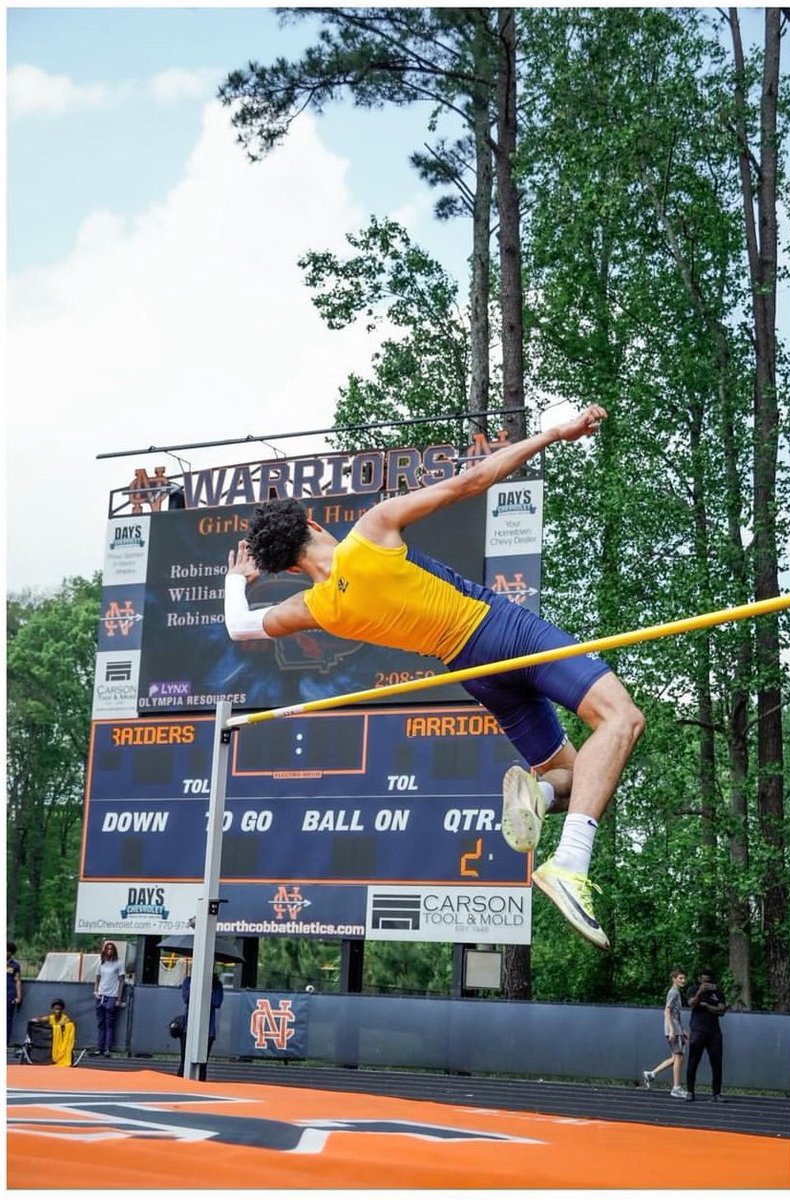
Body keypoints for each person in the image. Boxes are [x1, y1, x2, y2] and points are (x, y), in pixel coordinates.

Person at [224, 406, 645, 951]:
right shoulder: (369, 530)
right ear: (312, 522)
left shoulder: (317, 607)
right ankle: (568, 863)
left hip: (475, 673)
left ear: (283, 569)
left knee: (573, 775)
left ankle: (538, 793)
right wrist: (553, 434)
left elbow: (240, 626)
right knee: (622, 719)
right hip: (502, 631)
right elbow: (474, 480)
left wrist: (237, 579)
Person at [642, 967, 689, 1097]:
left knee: (675, 1057)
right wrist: (672, 1029)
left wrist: (682, 1029)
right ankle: (676, 1088)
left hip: (676, 1029)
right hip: (674, 1030)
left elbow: (674, 1014)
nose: (683, 980)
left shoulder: (676, 993)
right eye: (680, 978)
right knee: (679, 1057)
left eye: (684, 978)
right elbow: (667, 1011)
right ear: (674, 979)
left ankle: (651, 1074)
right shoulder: (673, 992)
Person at [684, 967, 727, 1102]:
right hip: (698, 1030)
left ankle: (716, 1093)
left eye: (709, 981)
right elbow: (692, 1004)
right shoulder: (693, 990)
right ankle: (690, 1092)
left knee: (717, 1063)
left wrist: (706, 1005)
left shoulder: (718, 992)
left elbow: (721, 1010)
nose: (706, 984)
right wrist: (699, 993)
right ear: (699, 979)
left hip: (714, 1031)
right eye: (704, 981)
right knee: (693, 1062)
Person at [176, 969, 224, 1080]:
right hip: (188, 1028)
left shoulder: (216, 984)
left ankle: (200, 1085)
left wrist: (202, 992)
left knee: (202, 1063)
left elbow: (217, 1002)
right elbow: (186, 998)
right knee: (185, 1061)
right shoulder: (189, 981)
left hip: (208, 1030)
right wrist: (199, 989)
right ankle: (179, 1085)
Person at [92, 940, 125, 1057]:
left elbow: (122, 981)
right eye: (107, 949)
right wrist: (96, 991)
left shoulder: (119, 963)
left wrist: (119, 999)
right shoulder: (101, 962)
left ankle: (108, 1048)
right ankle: (99, 1047)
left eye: (111, 949)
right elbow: (97, 978)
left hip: (112, 995)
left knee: (109, 1023)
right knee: (100, 1023)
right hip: (101, 995)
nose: (109, 951)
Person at [31, 998, 76, 1068]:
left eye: (59, 1009)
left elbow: (66, 1026)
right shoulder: (50, 1018)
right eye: (56, 1009)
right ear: (52, 1010)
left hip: (61, 1043)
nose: (57, 1011)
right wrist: (35, 1020)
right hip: (51, 1041)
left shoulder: (65, 1019)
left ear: (62, 1010)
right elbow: (40, 1019)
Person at [7, 942, 23, 1046]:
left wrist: (19, 996)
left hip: (9, 996)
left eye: (7, 951)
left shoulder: (15, 965)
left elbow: (17, 981)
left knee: (7, 1021)